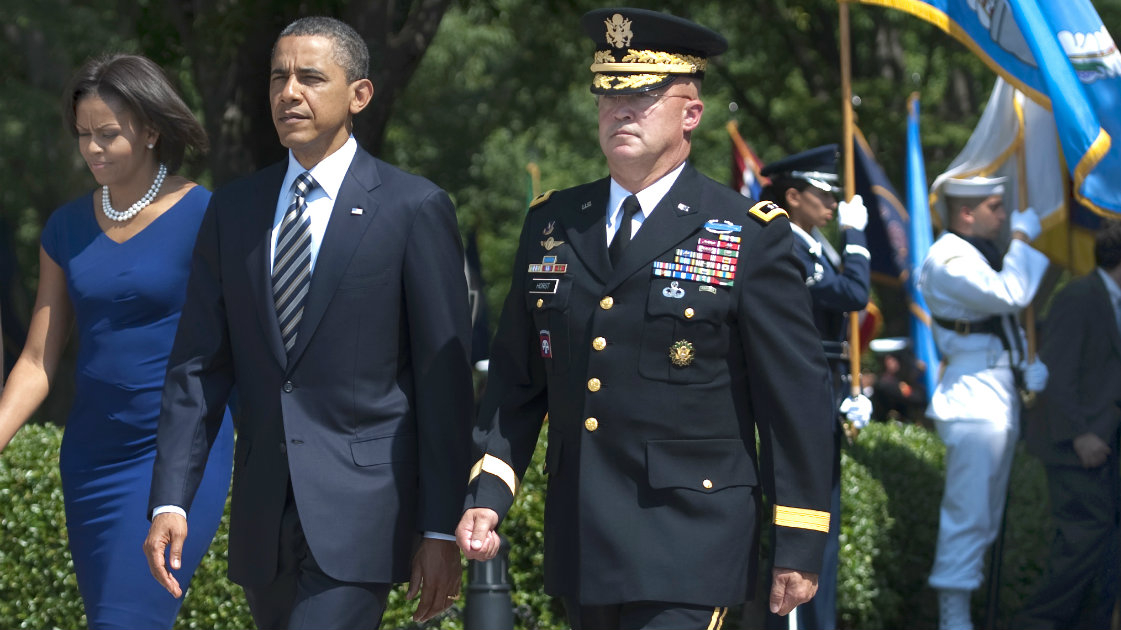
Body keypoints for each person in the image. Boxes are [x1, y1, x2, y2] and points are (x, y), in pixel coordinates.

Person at [456, 8, 834, 629]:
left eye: (644, 95)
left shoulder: (746, 233)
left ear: (691, 114)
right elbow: (518, 385)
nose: (620, 110)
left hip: (692, 538)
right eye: (608, 94)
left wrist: (797, 538)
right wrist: (488, 496)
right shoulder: (552, 225)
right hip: (585, 537)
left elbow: (794, 398)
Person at [142, 16, 473, 629]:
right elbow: (197, 367)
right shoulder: (234, 210)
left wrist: (440, 526)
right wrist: (170, 498)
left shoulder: (412, 208)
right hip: (266, 522)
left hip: (365, 517)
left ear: (359, 95)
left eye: (311, 77)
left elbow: (443, 383)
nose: (288, 92)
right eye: (278, 77)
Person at [0, 53, 233, 629]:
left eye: (108, 134)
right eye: (84, 135)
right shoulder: (66, 228)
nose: (93, 149)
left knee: (127, 620)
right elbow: (37, 359)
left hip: (177, 455)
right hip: (91, 457)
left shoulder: (210, 216)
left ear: (152, 130)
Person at [917, 175, 1049, 630]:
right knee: (968, 518)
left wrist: (1025, 364)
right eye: (995, 207)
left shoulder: (971, 255)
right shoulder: (949, 260)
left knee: (984, 518)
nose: (1004, 215)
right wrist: (1023, 239)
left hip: (993, 392)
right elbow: (1011, 293)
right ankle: (954, 620)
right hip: (974, 400)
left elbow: (1003, 318)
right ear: (966, 213)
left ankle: (965, 612)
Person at [1015, 219, 1121, 629]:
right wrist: (1080, 433)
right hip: (1074, 447)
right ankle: (1037, 622)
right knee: (1082, 543)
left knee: (1101, 548)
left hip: (1101, 445)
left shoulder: (1111, 300)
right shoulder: (1080, 296)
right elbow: (1058, 372)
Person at [759, 145, 873, 630]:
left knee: (824, 514)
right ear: (793, 196)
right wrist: (857, 237)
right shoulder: (784, 244)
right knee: (804, 513)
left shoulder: (812, 245)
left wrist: (850, 390)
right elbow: (853, 295)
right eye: (823, 193)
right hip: (798, 390)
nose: (832, 203)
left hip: (823, 385)